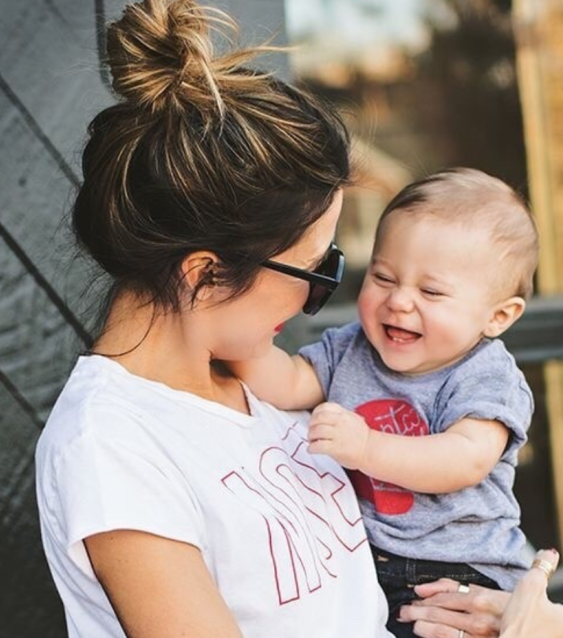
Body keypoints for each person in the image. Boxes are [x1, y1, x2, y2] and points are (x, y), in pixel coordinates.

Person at [33, 0, 563, 637]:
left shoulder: (259, 380)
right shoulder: (113, 448)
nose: (315, 297)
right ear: (204, 274)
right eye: (314, 270)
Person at [230, 168, 538, 637]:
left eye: (430, 291)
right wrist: (238, 338)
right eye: (383, 277)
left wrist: (367, 448)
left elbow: (465, 460)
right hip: (368, 564)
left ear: (498, 316)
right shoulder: (351, 347)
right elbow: (289, 383)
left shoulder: (485, 375)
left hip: (463, 574)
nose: (399, 301)